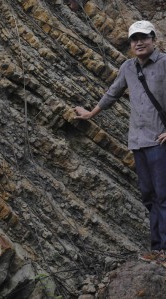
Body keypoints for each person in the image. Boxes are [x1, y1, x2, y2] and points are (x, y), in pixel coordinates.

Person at [74, 20, 166, 262]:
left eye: (143, 37)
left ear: (153, 39)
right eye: (134, 39)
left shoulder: (165, 63)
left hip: (160, 140)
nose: (139, 42)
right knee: (149, 195)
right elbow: (112, 93)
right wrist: (91, 113)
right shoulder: (128, 67)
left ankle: (165, 249)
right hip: (137, 141)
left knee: (164, 194)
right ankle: (158, 248)